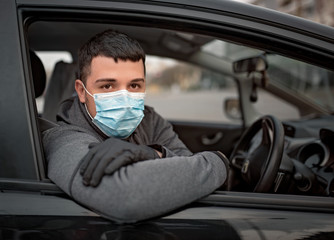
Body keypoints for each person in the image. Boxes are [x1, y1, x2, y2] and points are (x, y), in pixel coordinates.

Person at [42, 29, 229, 223]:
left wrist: (155, 154)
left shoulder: (149, 120)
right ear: (82, 91)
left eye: (134, 86)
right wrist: (219, 161)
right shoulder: (63, 139)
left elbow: (190, 165)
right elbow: (125, 198)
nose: (125, 97)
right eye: (107, 86)